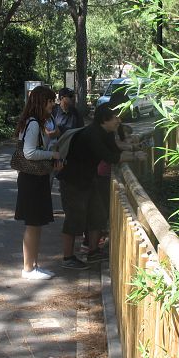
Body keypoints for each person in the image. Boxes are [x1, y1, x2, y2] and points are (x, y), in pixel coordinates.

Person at [57, 103, 145, 269]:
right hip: (73, 181)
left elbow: (115, 151)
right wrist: (134, 157)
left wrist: (133, 151)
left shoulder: (106, 133)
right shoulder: (93, 134)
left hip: (89, 179)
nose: (119, 121)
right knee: (74, 219)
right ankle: (68, 257)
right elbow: (109, 157)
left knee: (98, 214)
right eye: (115, 118)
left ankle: (93, 251)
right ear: (105, 120)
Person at [14, 86, 63, 280]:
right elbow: (29, 153)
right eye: (50, 101)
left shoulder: (34, 122)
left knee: (37, 223)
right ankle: (28, 269)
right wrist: (53, 154)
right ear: (40, 102)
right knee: (33, 224)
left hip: (36, 178)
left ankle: (34, 265)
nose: (53, 104)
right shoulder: (33, 123)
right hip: (31, 180)